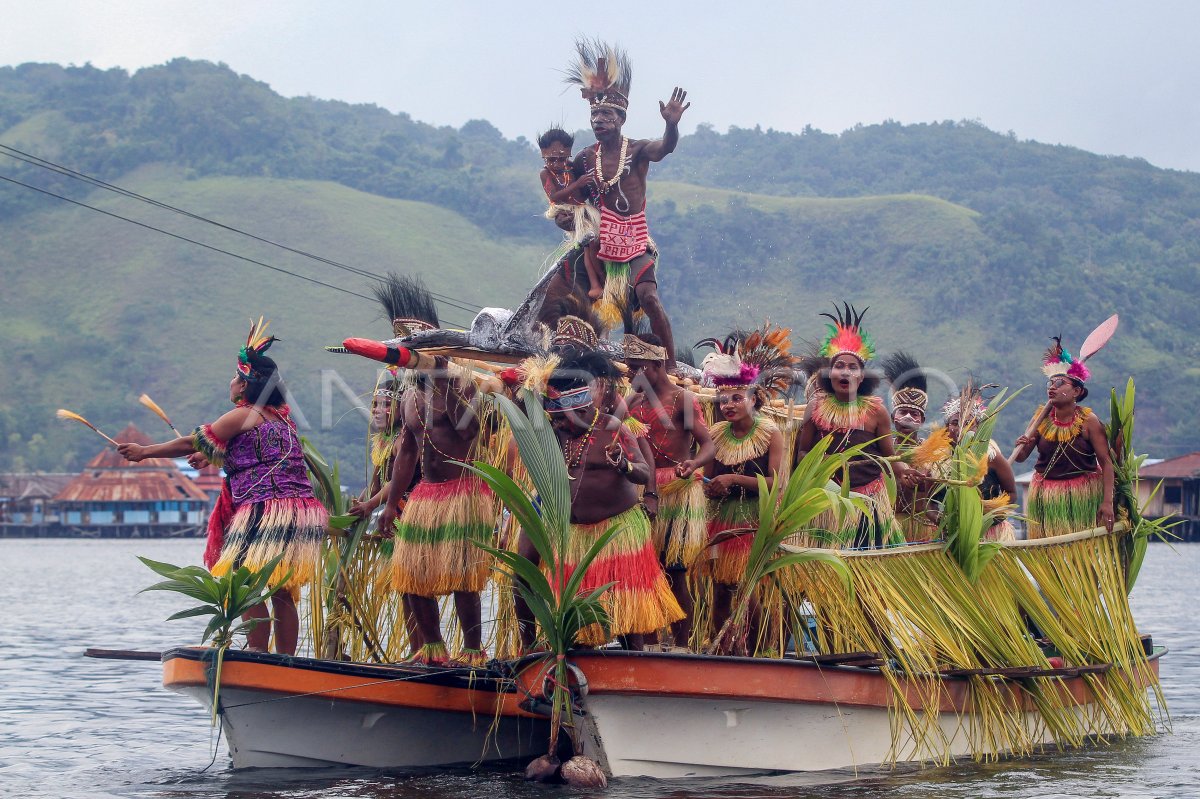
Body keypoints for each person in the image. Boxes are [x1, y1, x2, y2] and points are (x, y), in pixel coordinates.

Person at [117, 321, 326, 656]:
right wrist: (209, 455)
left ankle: (257, 653)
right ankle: (285, 658)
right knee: (282, 588)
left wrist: (145, 452)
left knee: (242, 582)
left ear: (244, 383)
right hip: (298, 509)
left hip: (266, 509)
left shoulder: (244, 414)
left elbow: (191, 440)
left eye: (234, 378)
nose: (230, 384)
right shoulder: (280, 417)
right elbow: (250, 453)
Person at [525, 348, 684, 651]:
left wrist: (623, 464)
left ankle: (634, 677)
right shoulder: (555, 436)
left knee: (628, 619)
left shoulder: (613, 427)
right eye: (554, 419)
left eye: (562, 420)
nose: (557, 425)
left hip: (617, 533)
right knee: (579, 623)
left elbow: (642, 470)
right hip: (574, 537)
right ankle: (578, 675)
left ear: (583, 411)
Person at [564, 40, 689, 367]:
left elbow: (665, 148)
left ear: (620, 118)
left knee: (648, 296)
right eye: (594, 114)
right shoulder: (585, 158)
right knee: (579, 297)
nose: (598, 120)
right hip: (601, 240)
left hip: (635, 238)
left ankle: (671, 363)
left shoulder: (636, 150)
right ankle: (590, 357)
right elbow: (566, 195)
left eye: (605, 114)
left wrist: (671, 125)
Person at [696, 327, 791, 654]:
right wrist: (709, 487)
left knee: (749, 590)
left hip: (754, 520)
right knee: (722, 588)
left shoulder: (770, 433)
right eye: (723, 400)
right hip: (722, 521)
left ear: (754, 398)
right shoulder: (716, 433)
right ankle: (721, 650)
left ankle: (756, 652)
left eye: (736, 398)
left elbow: (776, 484)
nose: (728, 405)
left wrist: (734, 481)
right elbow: (708, 479)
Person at [625, 332, 715, 647]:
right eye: (629, 369)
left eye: (640, 367)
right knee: (645, 572)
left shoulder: (683, 400)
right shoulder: (630, 401)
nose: (634, 375)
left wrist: (693, 463)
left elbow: (708, 444)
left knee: (675, 571)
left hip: (677, 491)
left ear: (658, 363)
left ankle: (681, 646)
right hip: (641, 493)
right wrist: (625, 405)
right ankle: (649, 645)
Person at [794, 304, 906, 547]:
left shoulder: (876, 411)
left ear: (861, 376)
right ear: (830, 373)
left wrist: (906, 470)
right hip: (828, 500)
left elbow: (890, 459)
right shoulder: (816, 407)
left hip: (870, 503)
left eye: (852, 367)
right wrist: (820, 469)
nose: (845, 371)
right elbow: (802, 452)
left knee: (869, 570)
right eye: (839, 366)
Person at [1013, 336, 1116, 537]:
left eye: (1060, 382)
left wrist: (1107, 502)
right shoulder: (1040, 418)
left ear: (1076, 391)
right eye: (1050, 383)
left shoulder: (1088, 420)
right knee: (1049, 553)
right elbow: (1021, 457)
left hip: (1082, 495)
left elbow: (1106, 462)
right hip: (1046, 495)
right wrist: (1022, 444)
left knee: (1081, 551)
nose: (1052, 387)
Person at [538, 128, 605, 301]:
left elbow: (583, 194)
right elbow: (554, 197)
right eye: (551, 160)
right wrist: (577, 185)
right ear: (544, 156)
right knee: (589, 241)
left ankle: (602, 280)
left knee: (595, 241)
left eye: (562, 159)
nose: (557, 164)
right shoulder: (545, 173)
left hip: (583, 210)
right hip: (567, 211)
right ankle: (596, 283)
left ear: (568, 155)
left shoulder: (571, 169)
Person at [882, 352, 936, 541]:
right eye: (903, 412)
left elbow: (934, 494)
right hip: (889, 527)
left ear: (922, 421)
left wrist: (927, 477)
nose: (908, 418)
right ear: (892, 418)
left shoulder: (933, 452)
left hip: (923, 527)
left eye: (914, 414)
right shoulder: (883, 450)